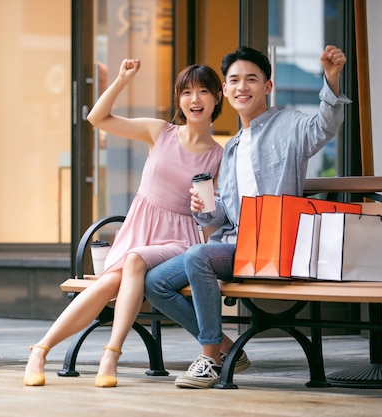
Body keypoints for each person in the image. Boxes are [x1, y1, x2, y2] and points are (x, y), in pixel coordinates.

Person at [144, 45, 351, 389]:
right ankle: (228, 348)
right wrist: (203, 209)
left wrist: (331, 79)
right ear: (225, 90)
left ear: (267, 87)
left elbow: (323, 127)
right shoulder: (233, 147)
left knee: (197, 256)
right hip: (239, 246)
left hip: (278, 246)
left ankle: (209, 357)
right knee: (155, 282)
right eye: (235, 80)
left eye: (251, 79)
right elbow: (221, 216)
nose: (242, 87)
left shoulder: (290, 125)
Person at [24, 58, 225, 387]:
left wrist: (208, 224)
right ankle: (40, 350)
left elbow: (213, 214)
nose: (195, 99)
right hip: (140, 228)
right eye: (187, 92)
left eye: (204, 91)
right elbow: (97, 118)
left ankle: (111, 354)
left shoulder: (218, 155)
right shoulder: (160, 132)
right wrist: (120, 80)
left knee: (134, 260)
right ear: (179, 99)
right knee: (105, 285)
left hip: (180, 238)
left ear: (217, 97)